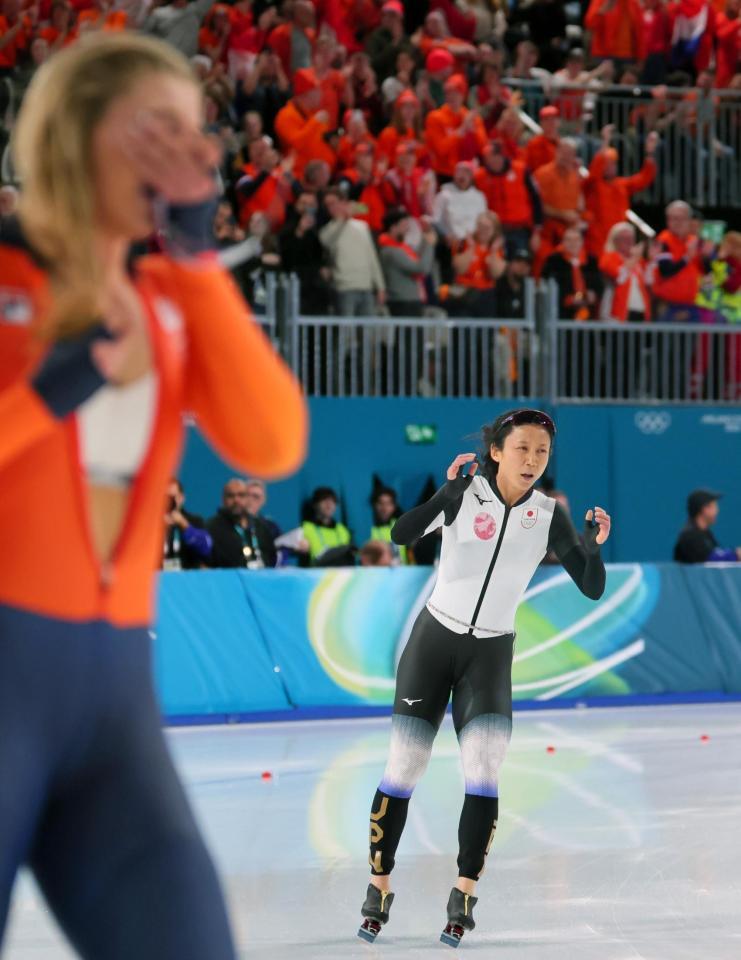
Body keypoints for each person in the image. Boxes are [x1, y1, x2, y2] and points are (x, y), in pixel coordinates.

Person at [0, 32, 306, 960]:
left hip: (113, 707)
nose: (191, 151)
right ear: (80, 135)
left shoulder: (171, 294)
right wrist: (47, 392)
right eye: (156, 129)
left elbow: (272, 441)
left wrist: (199, 260)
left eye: (195, 130)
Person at [357, 409, 610, 946]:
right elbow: (402, 533)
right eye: (522, 449)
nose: (532, 461)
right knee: (404, 767)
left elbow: (590, 587)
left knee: (484, 770)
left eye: (541, 452)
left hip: (490, 654)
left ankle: (464, 891)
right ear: (496, 451)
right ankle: (379, 885)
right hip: (434, 642)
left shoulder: (547, 515)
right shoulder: (465, 493)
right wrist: (443, 496)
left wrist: (592, 547)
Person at [207, 478, 278, 569]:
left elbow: (272, 556)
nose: (236, 500)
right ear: (223, 499)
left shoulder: (260, 526)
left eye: (241, 495)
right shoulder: (212, 527)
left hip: (260, 579)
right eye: (231, 496)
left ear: (247, 498)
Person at [673, 490, 741, 563]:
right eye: (714, 506)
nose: (717, 511)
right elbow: (709, 560)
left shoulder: (706, 534)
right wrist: (735, 555)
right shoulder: (689, 535)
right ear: (704, 509)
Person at [163, 478, 212, 570]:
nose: (168, 502)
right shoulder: (151, 524)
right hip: (157, 580)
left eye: (172, 498)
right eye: (164, 497)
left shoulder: (194, 521)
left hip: (188, 580)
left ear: (181, 498)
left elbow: (206, 548)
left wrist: (184, 524)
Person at [301, 486, 353, 565]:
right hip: (318, 574)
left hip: (343, 573)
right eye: (324, 500)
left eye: (333, 501)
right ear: (315, 504)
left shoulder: (342, 529)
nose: (329, 504)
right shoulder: (305, 528)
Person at [369, 485, 408, 564]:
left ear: (394, 506)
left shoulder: (401, 526)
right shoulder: (368, 528)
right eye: (381, 503)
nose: (384, 508)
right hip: (376, 574)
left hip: (402, 572)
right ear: (374, 505)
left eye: (388, 503)